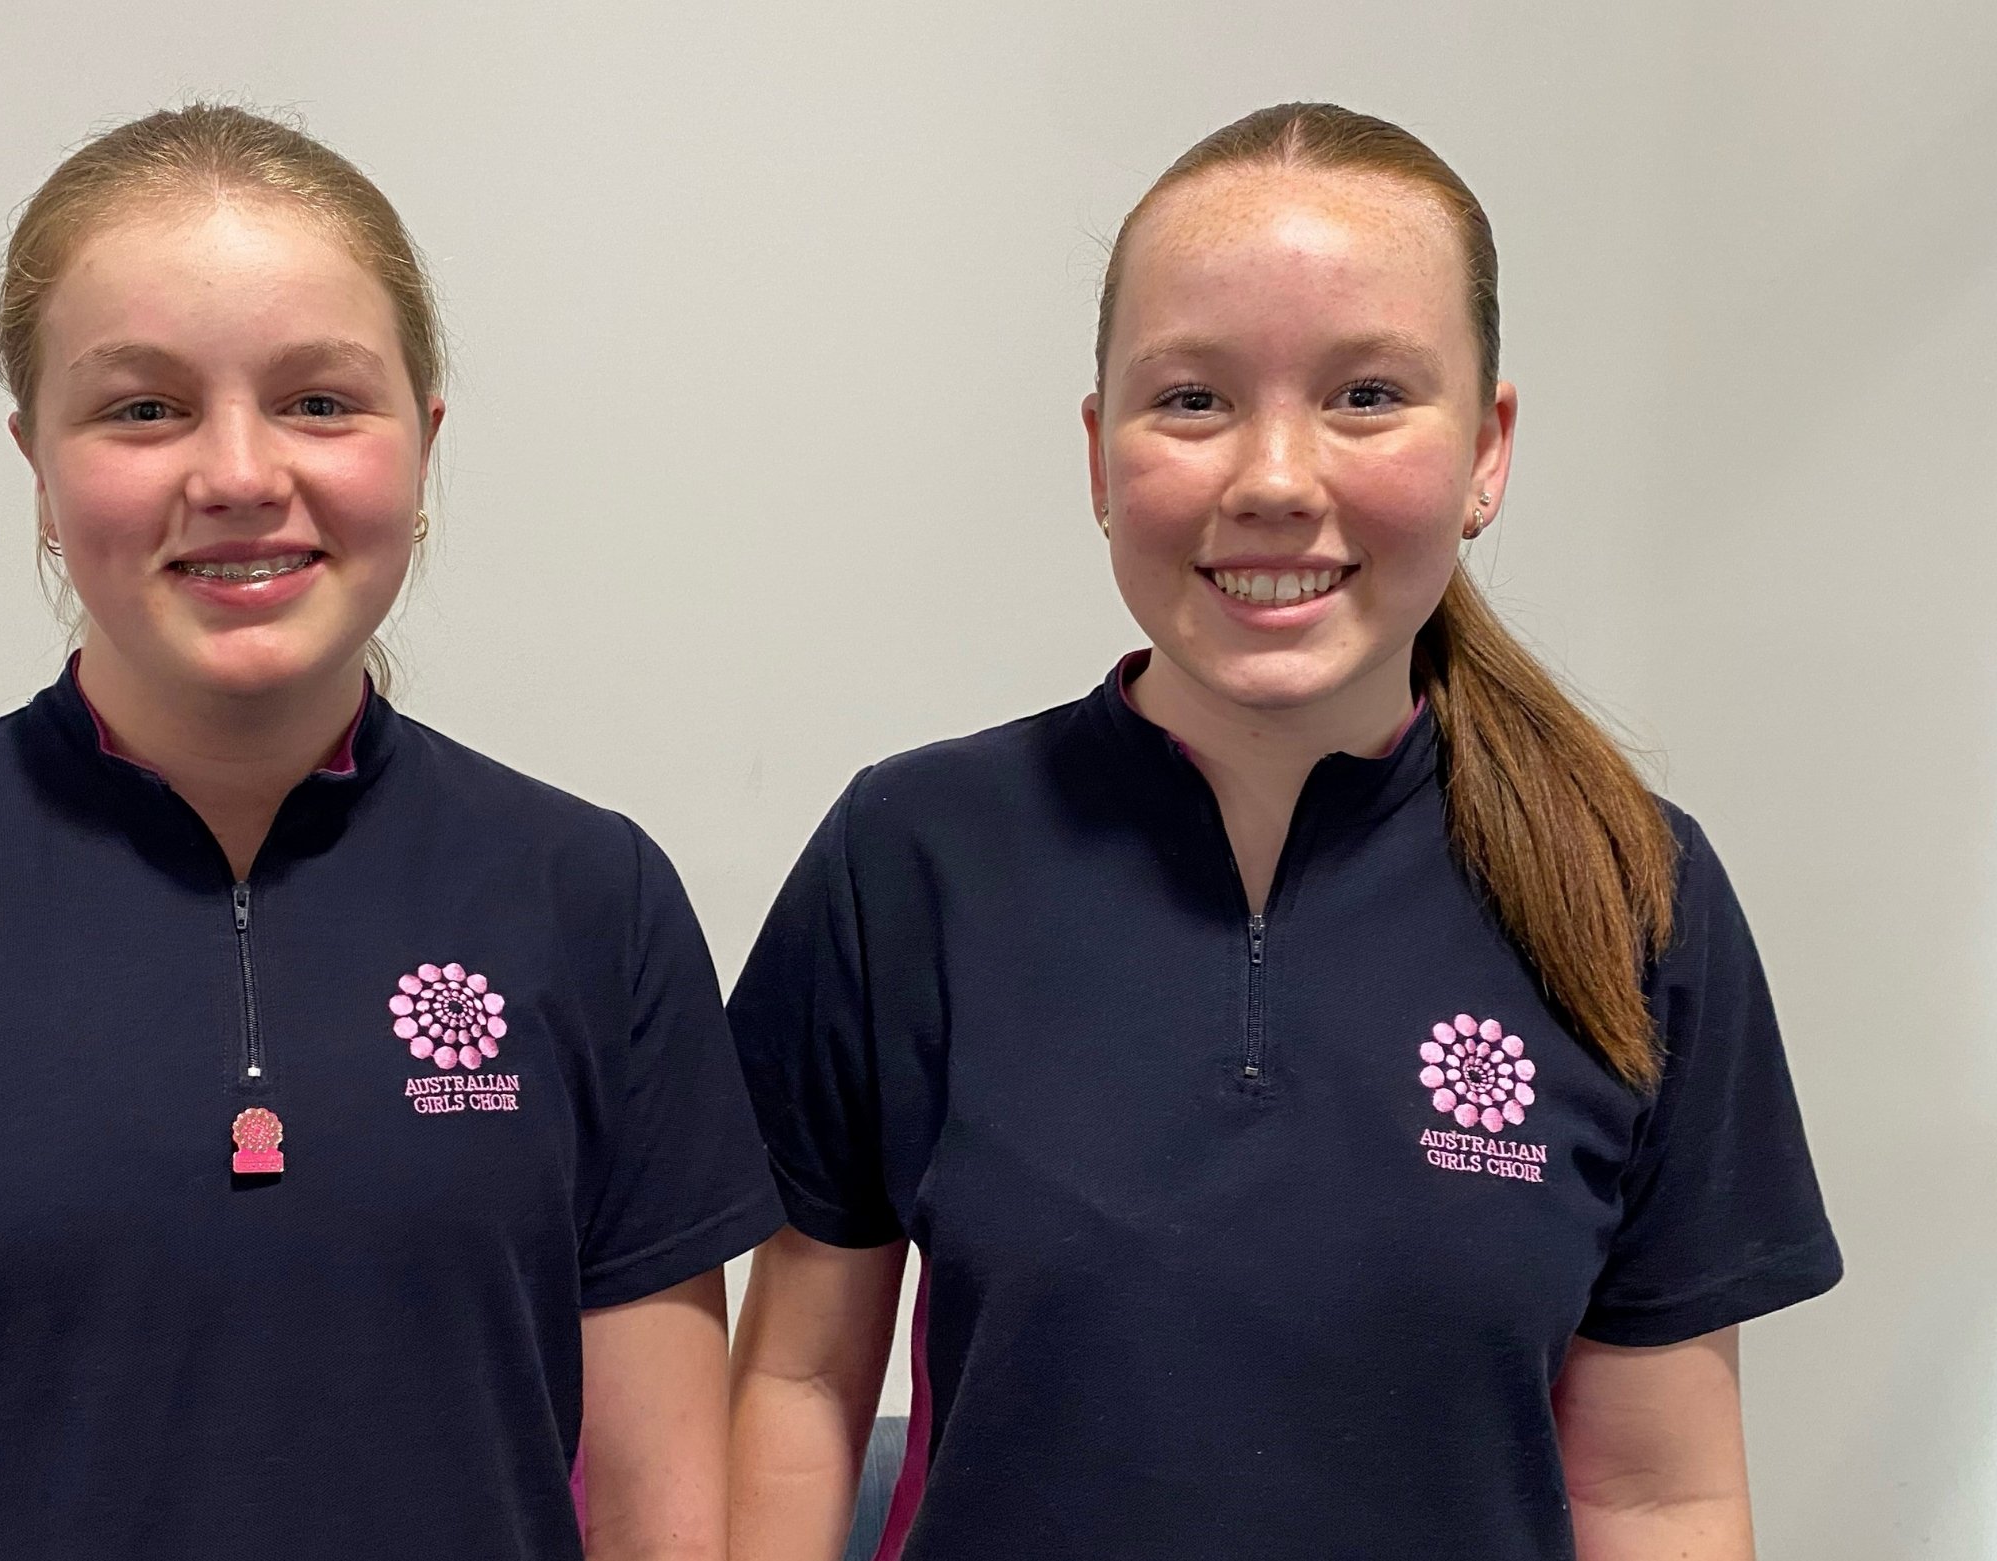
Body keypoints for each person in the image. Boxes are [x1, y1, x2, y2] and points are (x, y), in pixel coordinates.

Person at [0, 103, 780, 1560]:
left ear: (423, 445)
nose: (240, 472)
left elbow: (657, 1521)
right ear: (38, 464)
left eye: (320, 400)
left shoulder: (591, 902)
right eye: (143, 407)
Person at [725, 102, 1839, 1561]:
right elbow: (801, 1382)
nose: (1272, 478)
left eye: (1368, 394)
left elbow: (1656, 1492)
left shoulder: (1637, 889)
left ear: (1488, 449)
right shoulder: (911, 857)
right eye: (1191, 398)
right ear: (1098, 452)